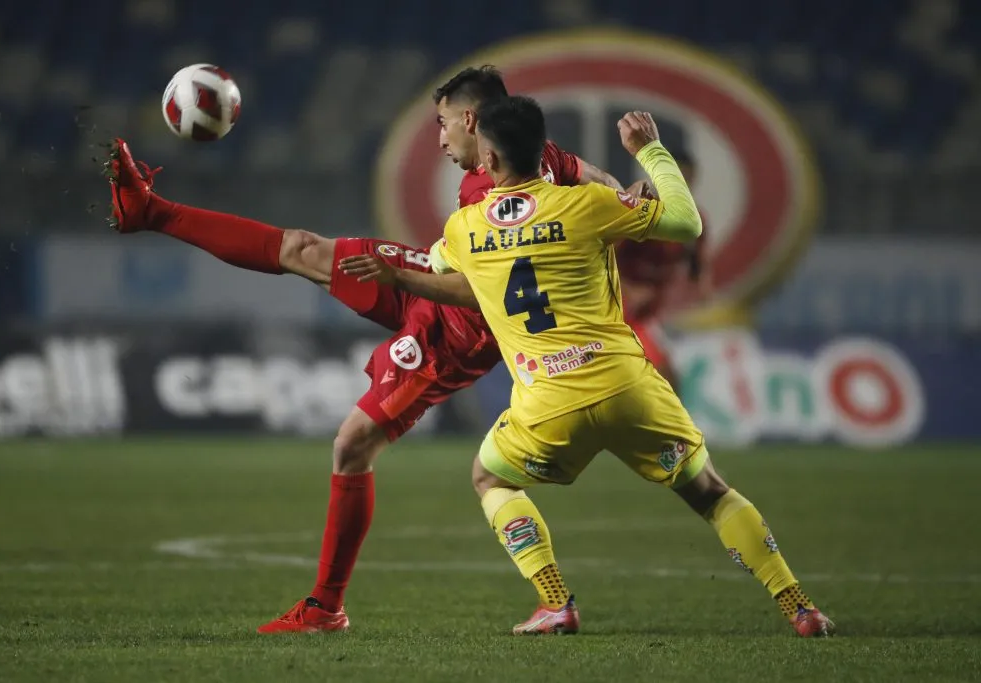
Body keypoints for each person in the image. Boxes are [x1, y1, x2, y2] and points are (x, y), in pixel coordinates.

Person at [102, 66, 625, 633]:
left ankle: (326, 606)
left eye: (444, 123)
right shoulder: (534, 154)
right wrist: (624, 193)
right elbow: (585, 172)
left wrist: (408, 282)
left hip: (455, 331)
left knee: (352, 445)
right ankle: (150, 211)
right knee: (303, 248)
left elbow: (485, 291)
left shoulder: (495, 187)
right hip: (437, 277)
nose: (441, 137)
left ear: (472, 121)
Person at [340, 96, 834, 637]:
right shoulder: (589, 205)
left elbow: (454, 282)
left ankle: (555, 601)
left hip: (548, 404)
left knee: (490, 479)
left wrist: (398, 278)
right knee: (711, 494)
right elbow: (686, 221)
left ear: (493, 160)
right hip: (627, 385)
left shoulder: (464, 228)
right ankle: (800, 608)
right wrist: (650, 153)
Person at [616, 148, 711, 390]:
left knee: (665, 382)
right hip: (620, 310)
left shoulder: (695, 221)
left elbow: (698, 270)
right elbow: (600, 257)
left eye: (687, 180)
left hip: (650, 314)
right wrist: (630, 289)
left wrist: (700, 289)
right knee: (665, 378)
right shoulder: (642, 213)